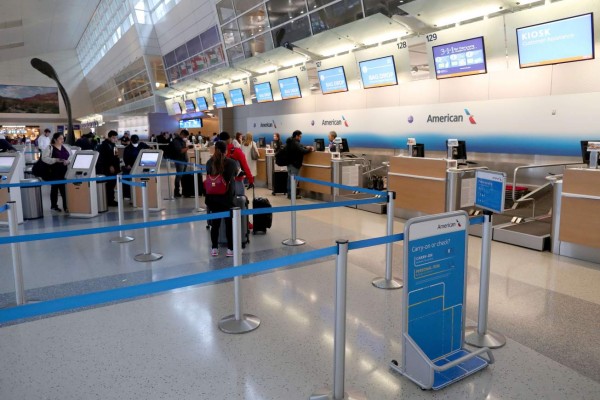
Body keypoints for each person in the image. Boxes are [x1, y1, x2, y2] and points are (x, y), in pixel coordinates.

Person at [205, 140, 237, 257]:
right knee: (229, 224)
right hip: (227, 198)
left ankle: (214, 248)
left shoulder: (209, 162)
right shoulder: (232, 163)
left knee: (215, 225)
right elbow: (234, 176)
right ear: (226, 150)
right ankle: (230, 249)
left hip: (212, 198)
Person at [41, 132, 71, 213]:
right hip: (54, 171)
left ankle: (66, 206)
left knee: (64, 190)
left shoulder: (66, 147)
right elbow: (44, 158)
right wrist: (55, 160)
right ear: (55, 139)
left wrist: (68, 161)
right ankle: (54, 205)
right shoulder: (50, 148)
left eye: (63, 138)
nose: (62, 140)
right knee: (55, 188)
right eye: (60, 138)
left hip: (65, 171)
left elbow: (71, 156)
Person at [285, 130, 314, 199]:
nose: (300, 138)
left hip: (289, 163)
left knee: (290, 179)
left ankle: (289, 194)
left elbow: (299, 147)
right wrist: (309, 150)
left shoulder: (290, 141)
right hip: (295, 164)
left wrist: (305, 147)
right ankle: (292, 195)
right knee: (294, 180)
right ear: (296, 136)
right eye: (300, 136)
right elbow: (302, 151)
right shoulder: (295, 143)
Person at [96, 130, 121, 206]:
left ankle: (111, 199)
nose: (115, 139)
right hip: (107, 168)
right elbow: (104, 158)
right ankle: (109, 200)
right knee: (109, 184)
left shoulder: (113, 145)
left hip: (113, 168)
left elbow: (115, 156)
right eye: (114, 138)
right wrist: (110, 166)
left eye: (116, 138)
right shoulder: (104, 146)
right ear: (109, 137)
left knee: (112, 184)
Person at [170, 129, 190, 197]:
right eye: (185, 136)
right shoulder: (176, 141)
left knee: (183, 176)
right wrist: (188, 147)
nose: (186, 137)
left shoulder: (182, 141)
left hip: (184, 160)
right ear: (182, 134)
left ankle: (184, 191)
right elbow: (180, 151)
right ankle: (176, 192)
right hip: (179, 160)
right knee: (179, 176)